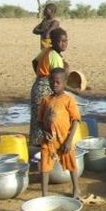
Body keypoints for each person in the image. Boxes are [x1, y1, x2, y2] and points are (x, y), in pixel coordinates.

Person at [37, 68, 81, 198]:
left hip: (64, 139)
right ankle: (44, 194)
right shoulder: (45, 100)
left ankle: (76, 189)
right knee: (44, 166)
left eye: (58, 82)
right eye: (52, 81)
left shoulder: (68, 100)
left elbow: (75, 121)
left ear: (64, 83)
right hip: (49, 140)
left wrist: (69, 140)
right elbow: (39, 120)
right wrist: (44, 131)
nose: (54, 84)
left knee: (71, 163)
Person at [29, 28, 68, 147]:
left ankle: (36, 144)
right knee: (47, 117)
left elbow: (34, 62)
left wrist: (40, 73)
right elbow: (58, 78)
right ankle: (46, 145)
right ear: (53, 41)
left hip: (38, 85)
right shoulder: (55, 56)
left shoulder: (46, 51)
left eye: (66, 41)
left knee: (38, 116)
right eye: (60, 41)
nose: (64, 44)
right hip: (47, 86)